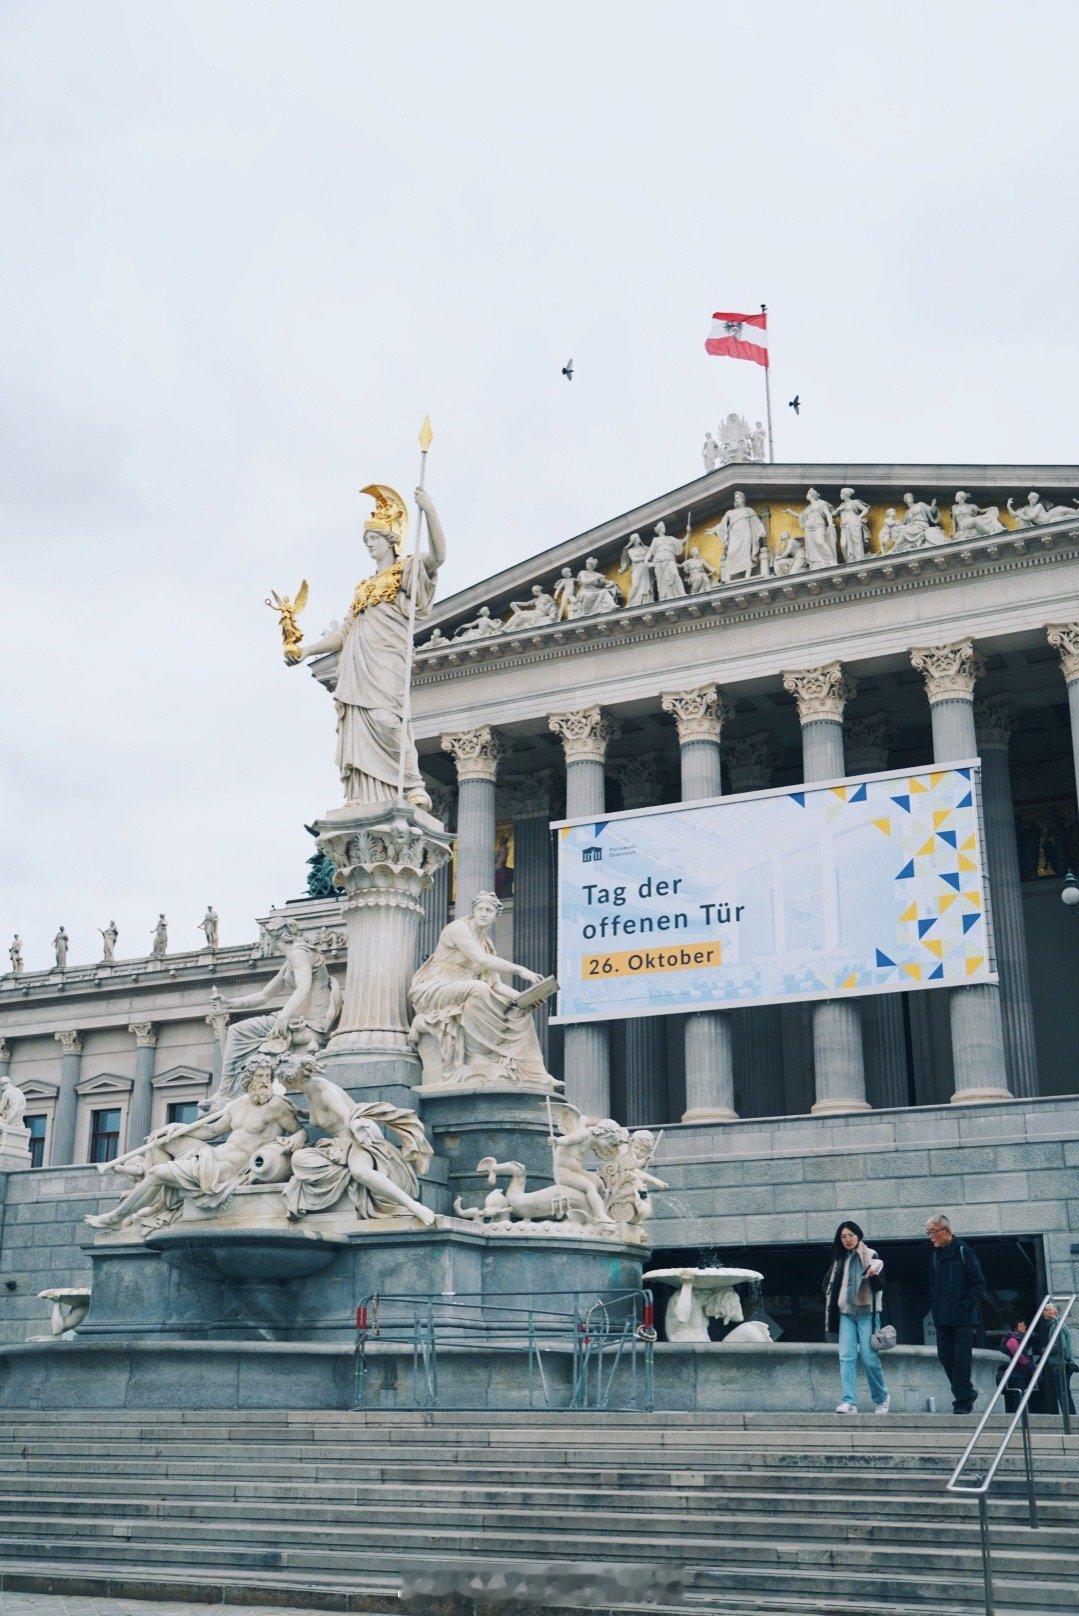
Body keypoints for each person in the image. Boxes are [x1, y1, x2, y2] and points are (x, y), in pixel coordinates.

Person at [823, 1220, 889, 1415]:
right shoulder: (839, 1260)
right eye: (843, 1236)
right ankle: (849, 1401)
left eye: (851, 1235)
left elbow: (880, 1286)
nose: (847, 1239)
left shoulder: (871, 1255)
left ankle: (882, 1398)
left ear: (858, 1236)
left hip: (867, 1313)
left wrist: (873, 1276)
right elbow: (827, 1283)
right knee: (846, 1357)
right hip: (846, 1313)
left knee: (869, 1359)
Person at [926, 1214, 987, 1414]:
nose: (930, 1237)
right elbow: (933, 1285)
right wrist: (934, 1307)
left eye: (933, 1232)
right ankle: (967, 1392)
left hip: (963, 1318)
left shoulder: (964, 1251)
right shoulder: (935, 1256)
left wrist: (966, 1305)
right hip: (942, 1316)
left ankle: (962, 1401)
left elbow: (979, 1283)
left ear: (946, 1231)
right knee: (945, 1357)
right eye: (928, 1232)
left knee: (961, 1359)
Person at [1035, 1302, 1075, 1416]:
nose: (1043, 1312)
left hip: (1061, 1365)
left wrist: (1046, 1349)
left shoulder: (1058, 1325)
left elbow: (1060, 1345)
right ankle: (1070, 1417)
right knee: (1063, 1393)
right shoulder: (1055, 1325)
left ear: (1054, 1312)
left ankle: (1070, 1418)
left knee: (1062, 1393)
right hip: (1060, 1364)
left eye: (1046, 1310)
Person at [1000, 1319, 1034, 1414]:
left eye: (1024, 1325)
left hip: (1021, 1371)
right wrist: (1029, 1364)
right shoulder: (1013, 1340)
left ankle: (1021, 1413)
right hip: (1017, 1372)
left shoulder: (1020, 1339)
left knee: (1021, 1395)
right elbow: (1018, 1355)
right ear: (1016, 1328)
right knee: (1019, 1396)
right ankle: (1018, 1415)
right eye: (1021, 1325)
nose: (1024, 1327)